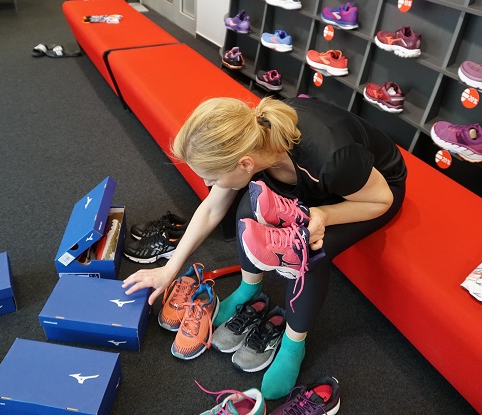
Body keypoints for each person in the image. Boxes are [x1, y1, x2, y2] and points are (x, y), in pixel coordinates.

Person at [122, 96, 407, 399]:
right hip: (315, 182)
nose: (208, 183)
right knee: (248, 209)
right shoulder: (254, 140)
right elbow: (212, 208)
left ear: (246, 164)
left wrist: (323, 215)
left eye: (212, 177)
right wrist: (169, 269)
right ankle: (248, 290)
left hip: (366, 193)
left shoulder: (332, 159)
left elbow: (381, 200)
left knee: (307, 251)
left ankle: (293, 345)